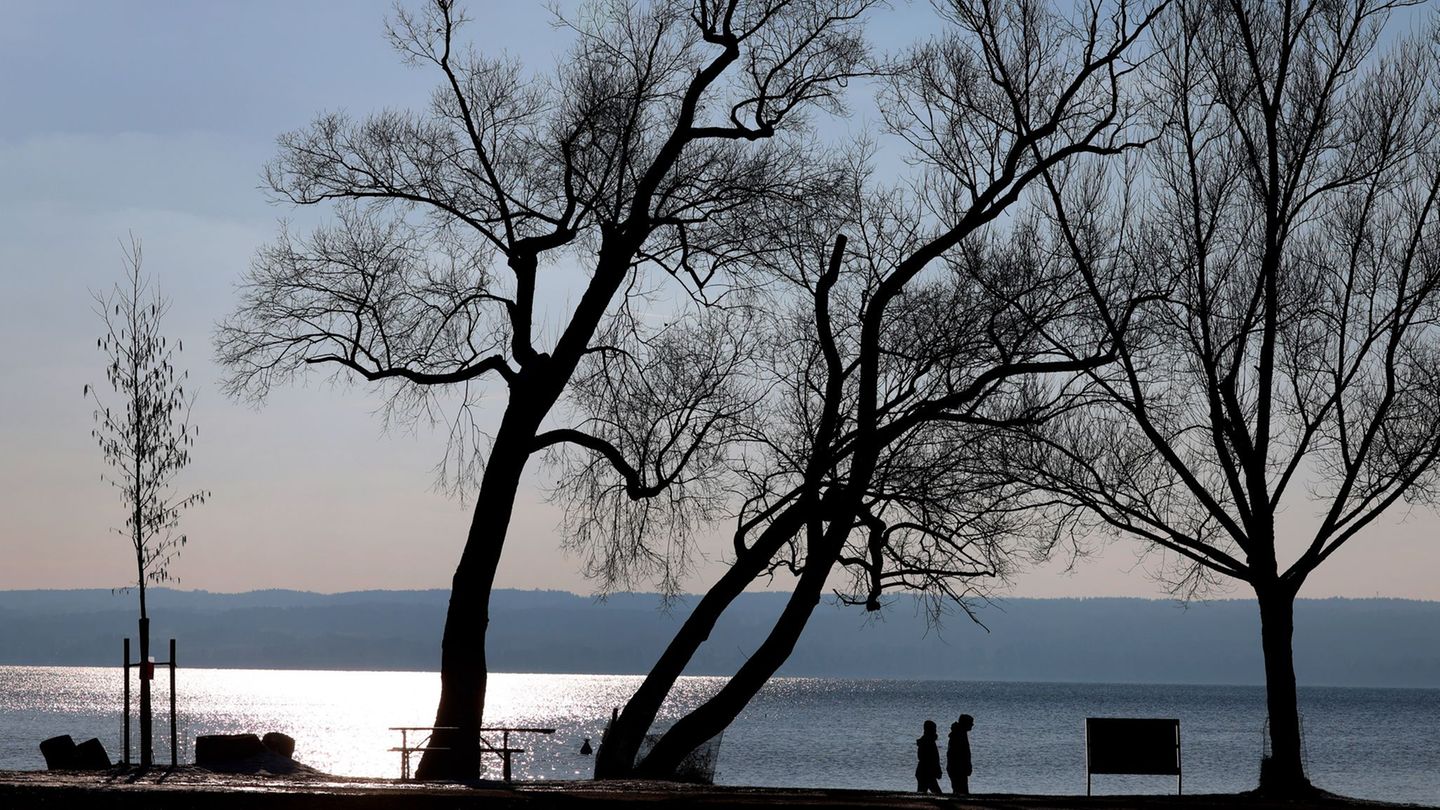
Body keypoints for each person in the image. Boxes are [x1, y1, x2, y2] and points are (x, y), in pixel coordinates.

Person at [947, 713, 974, 795]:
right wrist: (966, 766)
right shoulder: (960, 735)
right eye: (971, 723)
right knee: (961, 790)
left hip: (956, 767)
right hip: (958, 768)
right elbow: (961, 754)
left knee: (958, 789)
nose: (972, 725)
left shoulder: (958, 733)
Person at [915, 719, 943, 794]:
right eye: (934, 729)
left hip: (923, 771)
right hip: (927, 772)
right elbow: (932, 758)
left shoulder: (926, 741)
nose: (935, 731)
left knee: (922, 792)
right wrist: (937, 770)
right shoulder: (928, 742)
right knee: (937, 793)